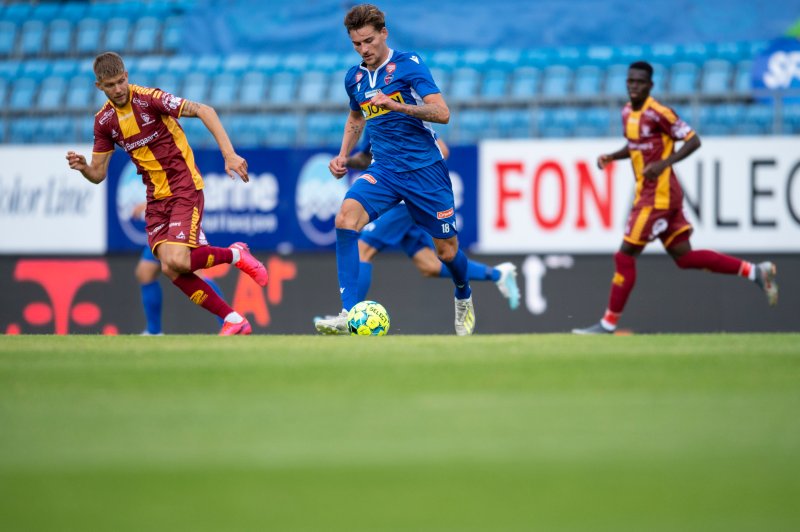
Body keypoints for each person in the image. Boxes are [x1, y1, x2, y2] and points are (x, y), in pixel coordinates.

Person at [66, 52, 268, 336]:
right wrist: (84, 168)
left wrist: (229, 154)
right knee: (170, 269)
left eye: (122, 80)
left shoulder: (149, 99)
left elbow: (204, 110)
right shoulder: (104, 121)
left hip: (184, 187)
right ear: (99, 86)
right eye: (111, 85)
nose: (119, 88)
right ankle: (233, 319)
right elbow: (98, 174)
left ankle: (235, 254)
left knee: (178, 261)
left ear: (127, 75)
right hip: (155, 199)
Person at [572, 61, 778, 335]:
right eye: (630, 81)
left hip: (657, 198)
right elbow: (635, 146)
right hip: (660, 196)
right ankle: (754, 271)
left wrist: (663, 163)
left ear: (650, 85)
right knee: (684, 257)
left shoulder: (659, 113)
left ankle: (608, 324)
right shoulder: (626, 113)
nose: (634, 86)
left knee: (624, 255)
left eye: (640, 82)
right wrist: (613, 156)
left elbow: (693, 140)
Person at [315, 4, 476, 336]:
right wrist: (343, 155)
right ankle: (348, 313)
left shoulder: (408, 65)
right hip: (385, 171)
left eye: (369, 41)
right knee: (345, 218)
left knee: (447, 253)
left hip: (425, 171)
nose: (364, 49)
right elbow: (357, 117)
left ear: (384, 33)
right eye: (357, 44)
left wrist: (397, 105)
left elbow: (443, 113)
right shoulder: (354, 77)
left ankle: (463, 293)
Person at [346, 131, 520, 308]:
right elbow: (371, 161)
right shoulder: (372, 121)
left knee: (362, 250)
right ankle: (497, 274)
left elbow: (442, 150)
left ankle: (350, 315)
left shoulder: (402, 116)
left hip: (407, 199)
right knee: (429, 265)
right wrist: (346, 161)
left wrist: (411, 170)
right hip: (394, 198)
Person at [132, 202, 226, 335]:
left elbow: (175, 186)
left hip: (179, 216)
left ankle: (229, 321)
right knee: (145, 272)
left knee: (197, 275)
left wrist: (147, 205)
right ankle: (154, 331)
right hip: (164, 222)